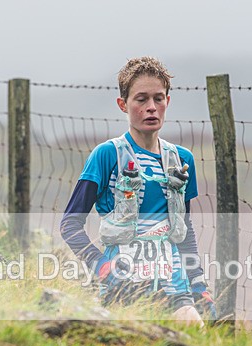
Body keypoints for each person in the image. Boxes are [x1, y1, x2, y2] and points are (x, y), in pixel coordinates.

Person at [59, 56, 215, 325]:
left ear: (168, 101)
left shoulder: (182, 159)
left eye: (158, 98)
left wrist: (198, 284)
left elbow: (184, 230)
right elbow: (70, 224)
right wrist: (100, 266)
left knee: (193, 345)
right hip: (122, 287)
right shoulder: (107, 155)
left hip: (175, 287)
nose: (151, 108)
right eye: (141, 99)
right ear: (123, 104)